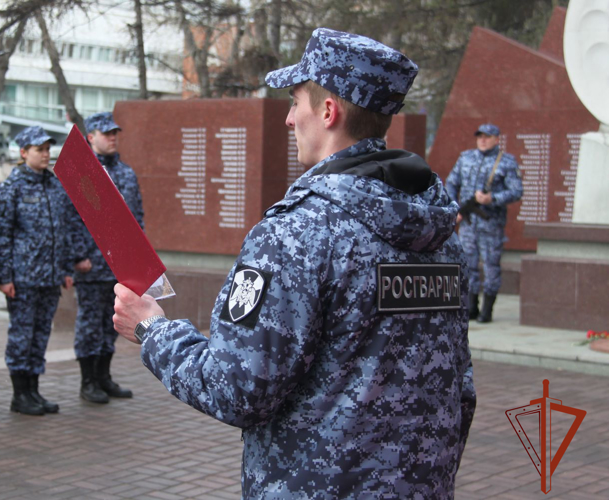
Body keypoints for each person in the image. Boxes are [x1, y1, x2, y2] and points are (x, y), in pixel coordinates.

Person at [113, 28, 476, 498]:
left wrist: (153, 330)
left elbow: (238, 389)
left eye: (295, 101)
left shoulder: (298, 233)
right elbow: (459, 386)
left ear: (328, 111)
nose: (288, 119)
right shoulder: (440, 234)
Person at [0, 126, 73, 416]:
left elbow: (63, 230)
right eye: (39, 149)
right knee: (21, 336)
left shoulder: (54, 186)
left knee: (40, 335)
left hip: (49, 276)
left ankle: (34, 390)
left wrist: (65, 267)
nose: (45, 154)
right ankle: (19, 394)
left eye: (48, 149)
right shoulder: (10, 188)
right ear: (24, 152)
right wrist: (5, 277)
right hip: (23, 278)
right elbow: (0, 236)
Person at [68, 112, 142, 403]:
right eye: (106, 133)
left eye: (115, 133)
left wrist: (138, 257)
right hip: (91, 264)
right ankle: (88, 382)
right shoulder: (82, 173)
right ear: (91, 137)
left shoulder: (125, 172)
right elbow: (71, 218)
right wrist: (78, 255)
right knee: (90, 324)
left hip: (119, 266)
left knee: (111, 323)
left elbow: (137, 217)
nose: (112, 137)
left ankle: (104, 376)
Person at [446, 123, 523, 323]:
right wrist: (455, 208)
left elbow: (516, 191)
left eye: (487, 136)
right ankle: (470, 307)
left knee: (490, 266)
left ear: (497, 139)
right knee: (467, 264)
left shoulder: (506, 162)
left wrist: (493, 199)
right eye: (480, 136)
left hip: (491, 224)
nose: (482, 139)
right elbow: (451, 183)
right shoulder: (466, 158)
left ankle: (487, 310)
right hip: (469, 223)